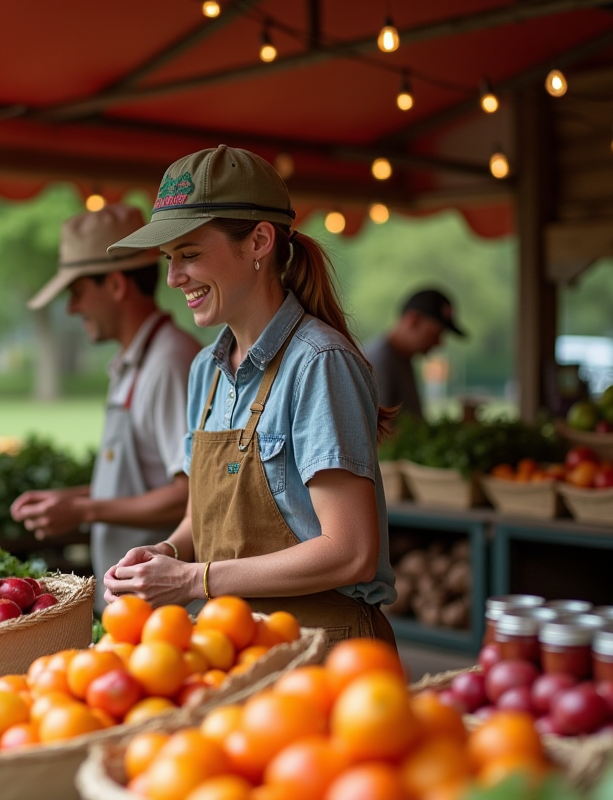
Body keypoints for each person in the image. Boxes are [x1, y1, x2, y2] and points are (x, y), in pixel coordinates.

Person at [102, 145, 398, 646]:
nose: (174, 279)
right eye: (170, 259)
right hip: (232, 646)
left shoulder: (319, 364)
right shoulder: (206, 372)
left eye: (190, 255)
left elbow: (350, 551)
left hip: (326, 652)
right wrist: (168, 555)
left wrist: (194, 580)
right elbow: (204, 518)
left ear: (259, 241)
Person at [11, 204, 201, 612]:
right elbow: (145, 480)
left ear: (116, 285)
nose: (72, 308)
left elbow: (191, 493)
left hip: (164, 611)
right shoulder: (138, 360)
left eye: (77, 293)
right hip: (136, 608)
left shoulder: (169, 364)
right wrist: (70, 499)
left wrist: (83, 508)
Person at [364, 289, 466, 418]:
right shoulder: (378, 362)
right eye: (435, 334)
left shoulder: (402, 358)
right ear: (413, 320)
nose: (439, 343)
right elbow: (379, 431)